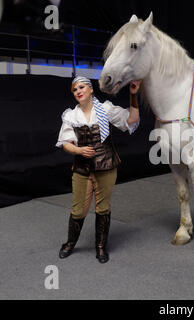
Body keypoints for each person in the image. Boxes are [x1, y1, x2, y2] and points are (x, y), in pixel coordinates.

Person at [56, 76, 141, 263]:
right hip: (82, 168)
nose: (78, 91)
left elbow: (132, 119)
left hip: (106, 165)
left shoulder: (105, 109)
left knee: (103, 208)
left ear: (91, 89)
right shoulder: (71, 115)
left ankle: (101, 246)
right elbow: (65, 143)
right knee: (78, 210)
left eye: (81, 87)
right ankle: (70, 242)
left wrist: (133, 96)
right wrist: (78, 150)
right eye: (74, 89)